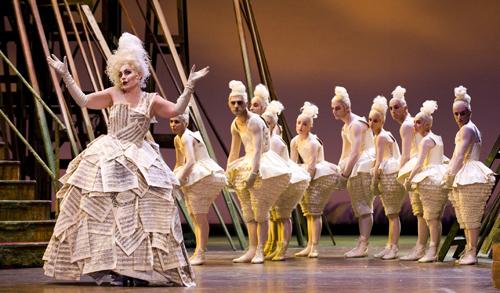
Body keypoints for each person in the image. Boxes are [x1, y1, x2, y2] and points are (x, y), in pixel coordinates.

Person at [42, 32, 209, 286]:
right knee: (102, 211)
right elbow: (85, 101)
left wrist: (189, 87)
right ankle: (113, 267)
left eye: (128, 72)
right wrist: (65, 75)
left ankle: (139, 269)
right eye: (120, 73)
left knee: (145, 211)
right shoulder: (112, 94)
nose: (123, 77)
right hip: (109, 154)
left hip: (139, 156)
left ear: (140, 75)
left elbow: (175, 110)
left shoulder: (150, 100)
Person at [226, 80, 290, 264]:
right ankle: (252, 248)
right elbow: (234, 151)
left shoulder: (254, 121)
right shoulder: (235, 124)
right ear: (228, 103)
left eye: (240, 102)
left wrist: (253, 174)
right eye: (233, 102)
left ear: (246, 103)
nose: (237, 106)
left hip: (262, 164)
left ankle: (260, 249)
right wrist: (228, 171)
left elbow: (256, 151)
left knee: (260, 210)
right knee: (248, 211)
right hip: (247, 162)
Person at [443, 86, 495, 265]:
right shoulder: (470, 128)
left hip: (470, 173)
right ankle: (469, 249)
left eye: (462, 113)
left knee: (470, 215)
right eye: (456, 114)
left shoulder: (467, 130)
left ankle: (472, 251)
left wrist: (449, 174)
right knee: (465, 215)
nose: (459, 117)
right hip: (466, 172)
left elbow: (459, 155)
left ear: (469, 112)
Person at [171, 112, 226, 266]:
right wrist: (173, 179)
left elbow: (191, 162)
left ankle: (200, 252)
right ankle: (198, 250)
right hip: (194, 175)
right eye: (171, 121)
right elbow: (179, 162)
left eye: (177, 122)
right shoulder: (177, 138)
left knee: (199, 215)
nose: (173, 125)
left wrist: (179, 180)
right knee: (194, 215)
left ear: (185, 123)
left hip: (203, 175)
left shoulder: (187, 136)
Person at [261, 101, 310, 260]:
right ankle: (275, 246)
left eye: (268, 123)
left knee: (283, 214)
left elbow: (278, 163)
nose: (265, 126)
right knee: (276, 215)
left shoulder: (275, 141)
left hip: (287, 180)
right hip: (277, 180)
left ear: (273, 124)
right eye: (263, 123)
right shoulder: (266, 140)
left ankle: (282, 248)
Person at [291, 102, 341, 258]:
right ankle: (309, 245)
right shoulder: (295, 141)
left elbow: (312, 164)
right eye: (299, 123)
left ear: (310, 126)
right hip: (305, 173)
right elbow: (293, 162)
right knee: (308, 213)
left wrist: (307, 180)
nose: (301, 126)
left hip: (317, 175)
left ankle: (315, 246)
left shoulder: (313, 142)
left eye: (305, 124)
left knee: (315, 212)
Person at [331, 86, 376, 258]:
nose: (334, 111)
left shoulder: (356, 125)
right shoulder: (345, 127)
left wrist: (345, 174)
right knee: (359, 206)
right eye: (333, 108)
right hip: (356, 165)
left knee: (364, 205)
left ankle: (363, 244)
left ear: (347, 108)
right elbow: (346, 152)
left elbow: (356, 152)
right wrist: (339, 170)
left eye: (338, 108)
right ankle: (362, 243)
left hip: (364, 164)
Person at [403, 100, 448, 263]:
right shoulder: (437, 138)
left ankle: (432, 250)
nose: (415, 125)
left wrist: (409, 178)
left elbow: (420, 162)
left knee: (431, 217)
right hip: (437, 175)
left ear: (428, 124)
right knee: (433, 217)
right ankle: (431, 249)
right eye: (414, 122)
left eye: (419, 122)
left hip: (431, 178)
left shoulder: (426, 140)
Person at [389, 85, 427, 261]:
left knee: (420, 210)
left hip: (415, 166)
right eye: (390, 108)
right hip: (421, 165)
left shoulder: (406, 126)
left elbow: (405, 154)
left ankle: (421, 247)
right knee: (423, 210)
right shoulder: (412, 123)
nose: (392, 111)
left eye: (396, 107)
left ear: (406, 108)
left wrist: (400, 176)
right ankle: (423, 246)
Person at [368, 96, 405, 260]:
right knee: (391, 214)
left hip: (390, 176)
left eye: (375, 121)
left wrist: (374, 180)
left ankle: (394, 247)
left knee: (393, 213)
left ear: (382, 122)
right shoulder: (380, 136)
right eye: (370, 120)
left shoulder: (382, 137)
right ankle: (390, 245)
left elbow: (379, 161)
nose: (371, 123)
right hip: (389, 175)